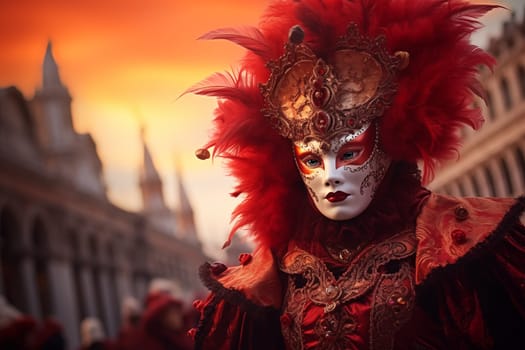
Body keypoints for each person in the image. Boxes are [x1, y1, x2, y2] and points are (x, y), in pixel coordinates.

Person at [187, 0, 525, 349]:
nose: (331, 175)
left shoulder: (452, 243)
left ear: (387, 147)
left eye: (349, 154)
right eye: (312, 161)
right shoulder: (273, 274)